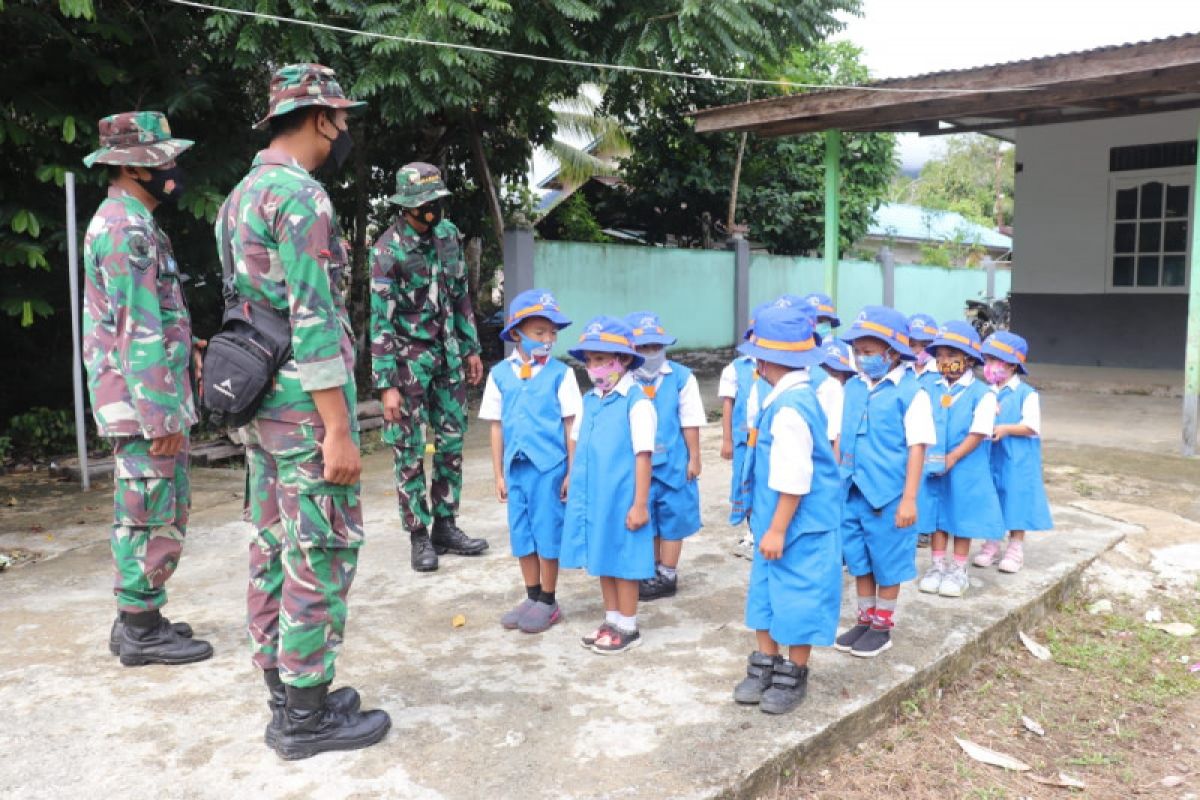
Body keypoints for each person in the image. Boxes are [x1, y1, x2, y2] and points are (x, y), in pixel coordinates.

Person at [219, 63, 389, 758]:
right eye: (341, 118)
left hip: (260, 403)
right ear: (320, 117)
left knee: (272, 545)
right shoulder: (302, 198)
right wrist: (340, 430)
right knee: (320, 549)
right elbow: (315, 320)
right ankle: (306, 718)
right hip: (302, 406)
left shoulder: (240, 196)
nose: (344, 130)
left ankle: (287, 688)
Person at [81, 111, 212, 667]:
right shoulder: (126, 229)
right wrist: (162, 418)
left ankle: (140, 616)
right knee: (150, 509)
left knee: (150, 506)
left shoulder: (128, 220)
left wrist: (191, 345)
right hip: (142, 405)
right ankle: (140, 629)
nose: (173, 168)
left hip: (139, 397)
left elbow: (147, 317)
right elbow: (138, 329)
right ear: (135, 165)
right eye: (165, 157)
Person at [371, 162, 488, 572]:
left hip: (449, 357)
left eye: (436, 201)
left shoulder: (448, 237)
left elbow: (461, 297)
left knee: (452, 442)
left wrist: (472, 349)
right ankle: (419, 535)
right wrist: (386, 384)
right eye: (425, 204)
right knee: (409, 450)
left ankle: (446, 524)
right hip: (407, 366)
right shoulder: (388, 251)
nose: (432, 209)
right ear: (406, 207)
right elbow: (380, 321)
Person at [729, 305, 843, 714]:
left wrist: (776, 529)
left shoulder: (792, 406)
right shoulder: (785, 396)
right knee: (764, 595)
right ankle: (765, 662)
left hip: (798, 526)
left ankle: (794, 670)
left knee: (799, 600)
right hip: (773, 521)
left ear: (764, 360)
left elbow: (794, 478)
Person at [833, 306, 935, 658]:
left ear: (893, 353)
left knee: (887, 561)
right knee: (859, 559)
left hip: (890, 494)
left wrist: (909, 499)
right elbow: (840, 437)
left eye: (870, 352)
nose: (862, 358)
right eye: (858, 351)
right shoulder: (853, 388)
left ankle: (882, 626)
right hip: (853, 489)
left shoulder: (912, 393)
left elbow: (917, 448)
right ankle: (864, 619)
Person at [478, 289, 581, 633]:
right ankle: (532, 595)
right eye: (540, 333)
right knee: (521, 533)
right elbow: (497, 427)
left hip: (549, 468)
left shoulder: (561, 374)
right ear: (517, 333)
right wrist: (498, 474)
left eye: (552, 333)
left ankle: (549, 601)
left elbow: (571, 425)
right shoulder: (499, 374)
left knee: (548, 531)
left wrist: (571, 470)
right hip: (516, 468)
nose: (548, 340)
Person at [560, 317, 656, 655]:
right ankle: (611, 618)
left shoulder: (637, 401)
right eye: (589, 360)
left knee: (624, 560)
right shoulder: (591, 400)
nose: (594, 367)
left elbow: (643, 455)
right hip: (595, 496)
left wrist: (640, 503)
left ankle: (628, 625)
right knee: (601, 556)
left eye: (601, 359)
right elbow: (578, 443)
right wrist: (572, 477)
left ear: (624, 359)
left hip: (623, 496)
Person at [915, 321, 1004, 598]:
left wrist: (953, 457)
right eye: (940, 355)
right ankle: (937, 565)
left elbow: (979, 432)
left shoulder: (982, 393)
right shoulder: (928, 387)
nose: (945, 361)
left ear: (968, 359)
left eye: (952, 356)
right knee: (937, 516)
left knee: (960, 516)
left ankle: (958, 569)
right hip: (933, 463)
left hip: (965, 466)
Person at [625, 312, 705, 601]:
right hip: (639, 465)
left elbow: (690, 420)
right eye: (642, 348)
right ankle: (650, 571)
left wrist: (694, 458)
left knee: (673, 518)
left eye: (655, 347)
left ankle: (668, 574)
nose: (650, 354)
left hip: (673, 463)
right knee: (648, 518)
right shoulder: (625, 380)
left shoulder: (682, 377)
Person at [977, 331, 1053, 573]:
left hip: (1017, 458)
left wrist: (1006, 428)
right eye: (986, 360)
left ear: (1010, 364)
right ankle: (991, 542)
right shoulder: (986, 391)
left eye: (993, 360)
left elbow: (1032, 427)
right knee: (992, 497)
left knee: (1016, 499)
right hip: (990, 455)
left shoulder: (1026, 394)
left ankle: (1015, 548)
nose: (987, 366)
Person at [907, 313, 940, 549]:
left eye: (924, 345)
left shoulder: (939, 372)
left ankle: (925, 528)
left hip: (932, 433)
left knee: (927, 481)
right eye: (913, 345)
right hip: (906, 433)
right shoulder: (903, 369)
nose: (918, 350)